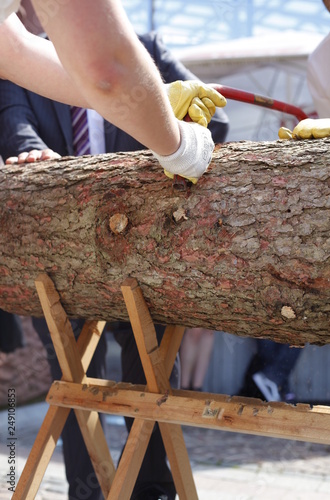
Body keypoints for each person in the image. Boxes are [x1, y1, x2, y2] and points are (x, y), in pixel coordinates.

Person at [0, 8, 229, 498]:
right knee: (75, 374)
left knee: (148, 368)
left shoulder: (148, 46)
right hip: (62, 247)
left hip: (142, 246)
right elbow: (30, 112)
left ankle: (148, 488)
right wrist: (177, 144)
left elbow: (216, 116)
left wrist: (175, 114)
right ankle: (87, 490)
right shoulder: (24, 44)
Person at [0, 1, 227, 188]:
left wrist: (158, 100)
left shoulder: (150, 46)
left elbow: (14, 49)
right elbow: (105, 68)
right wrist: (181, 149)